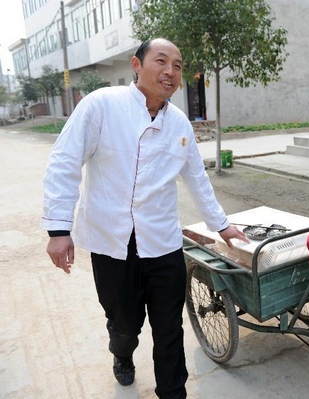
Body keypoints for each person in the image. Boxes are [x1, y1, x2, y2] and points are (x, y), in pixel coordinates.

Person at [41, 38, 249, 398]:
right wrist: (59, 229)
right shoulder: (102, 106)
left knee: (170, 329)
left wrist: (222, 225)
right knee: (124, 324)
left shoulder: (180, 124)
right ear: (137, 66)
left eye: (178, 65)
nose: (170, 71)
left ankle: (172, 393)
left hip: (162, 243)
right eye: (161, 61)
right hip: (112, 243)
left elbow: (198, 179)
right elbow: (65, 161)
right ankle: (122, 353)